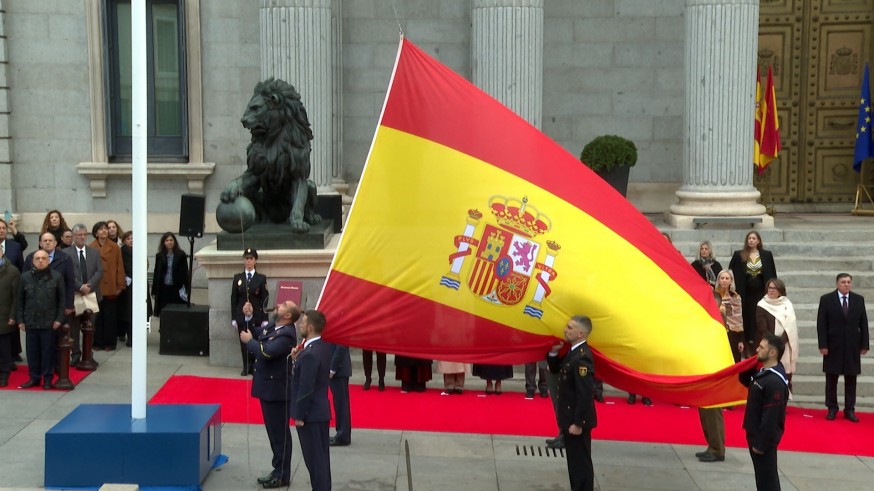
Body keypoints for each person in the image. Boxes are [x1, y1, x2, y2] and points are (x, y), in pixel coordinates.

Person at [240, 300, 299, 489]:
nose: (278, 305)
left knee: (279, 434)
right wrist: (248, 317)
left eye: (284, 305)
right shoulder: (275, 326)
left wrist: (250, 343)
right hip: (268, 389)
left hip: (277, 391)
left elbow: (266, 352)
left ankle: (282, 474)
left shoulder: (287, 335)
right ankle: (277, 469)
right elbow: (257, 333)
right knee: (273, 434)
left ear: (287, 315)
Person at [546, 315, 597, 491]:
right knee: (575, 463)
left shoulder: (582, 358)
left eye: (569, 327)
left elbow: (585, 394)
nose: (565, 330)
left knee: (580, 463)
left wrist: (578, 423)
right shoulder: (573, 351)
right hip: (570, 417)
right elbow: (557, 369)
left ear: (580, 333)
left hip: (576, 420)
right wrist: (553, 352)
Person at [817, 273, 869, 422]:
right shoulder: (827, 300)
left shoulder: (858, 300)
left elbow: (863, 323)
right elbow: (821, 324)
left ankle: (849, 409)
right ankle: (832, 408)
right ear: (837, 284)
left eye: (848, 282)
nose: (846, 284)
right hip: (833, 346)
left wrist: (864, 344)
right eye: (843, 282)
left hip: (852, 346)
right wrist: (823, 345)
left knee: (851, 379)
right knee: (831, 378)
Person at [291, 309, 332, 491]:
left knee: (315, 463)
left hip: (310, 415)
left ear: (310, 327)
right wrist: (295, 360)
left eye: (303, 322)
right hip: (320, 411)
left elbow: (306, 388)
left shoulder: (309, 354)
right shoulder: (321, 347)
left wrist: (299, 415)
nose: (300, 325)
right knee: (321, 461)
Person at [742, 333, 789, 490]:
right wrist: (748, 364)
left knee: (768, 482)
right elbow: (745, 380)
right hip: (755, 434)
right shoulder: (763, 372)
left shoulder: (775, 381)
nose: (757, 349)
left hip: (763, 440)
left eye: (761, 347)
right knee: (762, 479)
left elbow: (771, 417)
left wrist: (761, 445)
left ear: (772, 353)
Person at [16, 250, 65, 390]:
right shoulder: (25, 277)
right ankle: (34, 378)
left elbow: (62, 300)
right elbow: (19, 300)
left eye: (44, 258)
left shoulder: (56, 277)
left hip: (49, 322)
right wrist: (20, 320)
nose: (41, 261)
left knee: (48, 352)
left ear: (48, 261)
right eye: (37, 258)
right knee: (32, 352)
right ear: (33, 261)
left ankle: (48, 379)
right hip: (31, 321)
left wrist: (59, 319)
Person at [696, 289, 732, 463]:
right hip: (705, 369)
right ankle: (712, 445)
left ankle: (717, 449)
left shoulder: (718, 322)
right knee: (704, 410)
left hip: (714, 371)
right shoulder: (708, 321)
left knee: (712, 411)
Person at [729, 231, 777, 356]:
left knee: (759, 318)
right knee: (747, 318)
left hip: (761, 293)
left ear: (758, 241)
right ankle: (747, 346)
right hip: (746, 294)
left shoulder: (766, 255)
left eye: (753, 238)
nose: (751, 240)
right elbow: (731, 272)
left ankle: (760, 344)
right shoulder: (739, 255)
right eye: (749, 238)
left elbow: (772, 274)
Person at [64, 224, 103, 364]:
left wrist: (89, 285)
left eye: (84, 234)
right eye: (79, 235)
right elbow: (67, 275)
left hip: (91, 295)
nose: (82, 237)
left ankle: (88, 353)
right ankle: (75, 354)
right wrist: (80, 286)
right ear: (73, 237)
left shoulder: (94, 252)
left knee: (90, 327)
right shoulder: (66, 253)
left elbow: (99, 271)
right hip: (75, 294)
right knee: (74, 328)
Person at [756, 278, 799, 393]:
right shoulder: (762, 305)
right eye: (770, 288)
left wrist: (782, 341)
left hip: (784, 344)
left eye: (774, 288)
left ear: (780, 290)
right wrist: (774, 343)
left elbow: (791, 325)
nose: (771, 290)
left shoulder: (787, 304)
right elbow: (762, 327)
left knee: (785, 371)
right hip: (769, 345)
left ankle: (784, 398)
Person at [231, 248, 268, 376]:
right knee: (243, 343)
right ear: (243, 260)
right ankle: (246, 366)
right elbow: (234, 299)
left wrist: (264, 318)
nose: (249, 261)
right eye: (247, 258)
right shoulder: (238, 278)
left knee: (255, 341)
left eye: (251, 258)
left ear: (255, 260)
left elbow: (264, 299)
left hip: (256, 316)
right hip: (242, 316)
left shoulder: (261, 279)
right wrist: (234, 317)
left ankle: (254, 366)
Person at [90, 221, 125, 350]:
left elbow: (119, 266)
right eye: (101, 229)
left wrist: (120, 285)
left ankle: (110, 342)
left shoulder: (115, 247)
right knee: (97, 317)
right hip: (96, 286)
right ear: (96, 233)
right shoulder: (91, 247)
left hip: (111, 285)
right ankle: (97, 342)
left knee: (110, 316)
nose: (104, 231)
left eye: (105, 229)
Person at [151, 232, 189, 317]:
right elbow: (156, 272)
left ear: (174, 241)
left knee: (176, 311)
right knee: (164, 311)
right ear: (163, 242)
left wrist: (187, 288)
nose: (169, 242)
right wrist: (154, 290)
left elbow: (185, 272)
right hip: (163, 287)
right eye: (167, 240)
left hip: (176, 286)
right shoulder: (159, 256)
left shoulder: (181, 254)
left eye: (171, 240)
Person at [715, 270, 744, 362]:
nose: (724, 280)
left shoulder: (736, 297)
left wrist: (741, 340)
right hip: (717, 332)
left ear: (731, 281)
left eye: (727, 278)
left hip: (733, 334)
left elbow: (738, 319)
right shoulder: (713, 295)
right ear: (718, 280)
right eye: (722, 278)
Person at [0, 255, 19, 387]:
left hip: (4, 317)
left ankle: (4, 374)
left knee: (4, 350)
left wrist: (13, 316)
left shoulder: (13, 271)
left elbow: (16, 297)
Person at [328, 341, 352, 446]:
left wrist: (333, 368)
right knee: (339, 403)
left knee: (341, 403)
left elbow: (342, 346)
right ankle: (341, 432)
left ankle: (343, 434)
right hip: (337, 368)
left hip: (339, 369)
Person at [118, 231, 133, 346]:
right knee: (128, 312)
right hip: (127, 285)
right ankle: (127, 336)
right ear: (124, 241)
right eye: (128, 239)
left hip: (137, 285)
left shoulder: (140, 250)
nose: (131, 240)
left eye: (133, 238)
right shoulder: (122, 252)